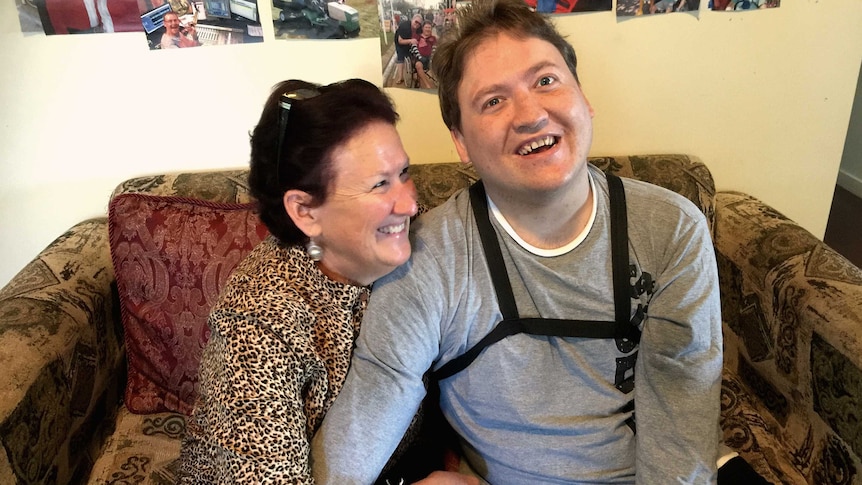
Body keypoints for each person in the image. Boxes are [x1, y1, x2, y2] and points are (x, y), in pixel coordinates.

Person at [310, 0, 735, 483]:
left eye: (546, 81)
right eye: (493, 100)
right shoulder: (429, 258)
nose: (531, 113)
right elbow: (373, 404)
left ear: (584, 98)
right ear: (461, 142)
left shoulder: (669, 230)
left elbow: (679, 429)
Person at [176, 79, 468, 483]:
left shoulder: (415, 240)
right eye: (380, 184)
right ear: (306, 211)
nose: (409, 203)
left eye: (404, 173)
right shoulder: (258, 327)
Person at [393, 14, 422, 85]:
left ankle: (414, 73)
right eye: (416, 22)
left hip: (410, 41)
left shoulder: (419, 28)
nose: (417, 24)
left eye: (419, 23)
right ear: (412, 20)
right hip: (400, 42)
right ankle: (400, 77)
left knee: (413, 55)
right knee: (400, 57)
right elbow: (400, 41)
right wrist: (410, 41)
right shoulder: (404, 26)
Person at [410, 21, 437, 90]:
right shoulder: (417, 36)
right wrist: (420, 57)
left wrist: (432, 57)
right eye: (426, 27)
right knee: (418, 65)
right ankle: (427, 85)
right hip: (418, 58)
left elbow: (435, 48)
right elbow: (413, 47)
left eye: (429, 27)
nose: (428, 29)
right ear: (422, 28)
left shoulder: (433, 38)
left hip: (429, 59)